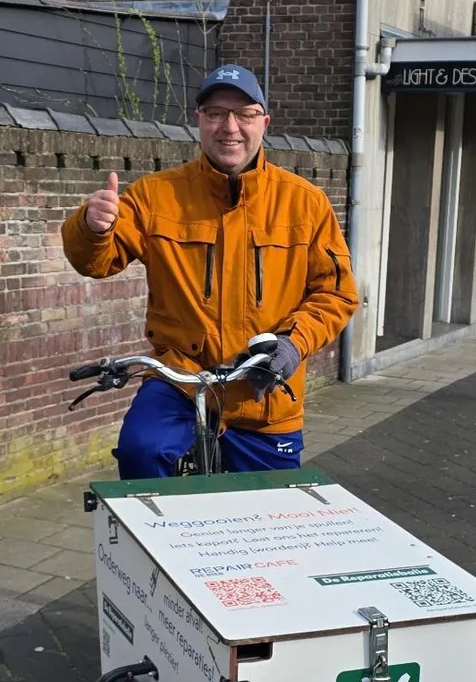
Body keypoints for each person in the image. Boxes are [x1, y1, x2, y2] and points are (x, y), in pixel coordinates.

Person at [61, 64, 359, 479]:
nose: (230, 127)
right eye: (216, 113)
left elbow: (337, 294)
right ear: (199, 121)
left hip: (266, 394)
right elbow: (96, 261)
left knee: (271, 513)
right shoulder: (156, 195)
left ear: (264, 123)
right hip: (182, 380)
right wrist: (91, 227)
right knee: (140, 452)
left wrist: (292, 345)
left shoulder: (305, 204)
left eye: (245, 114)